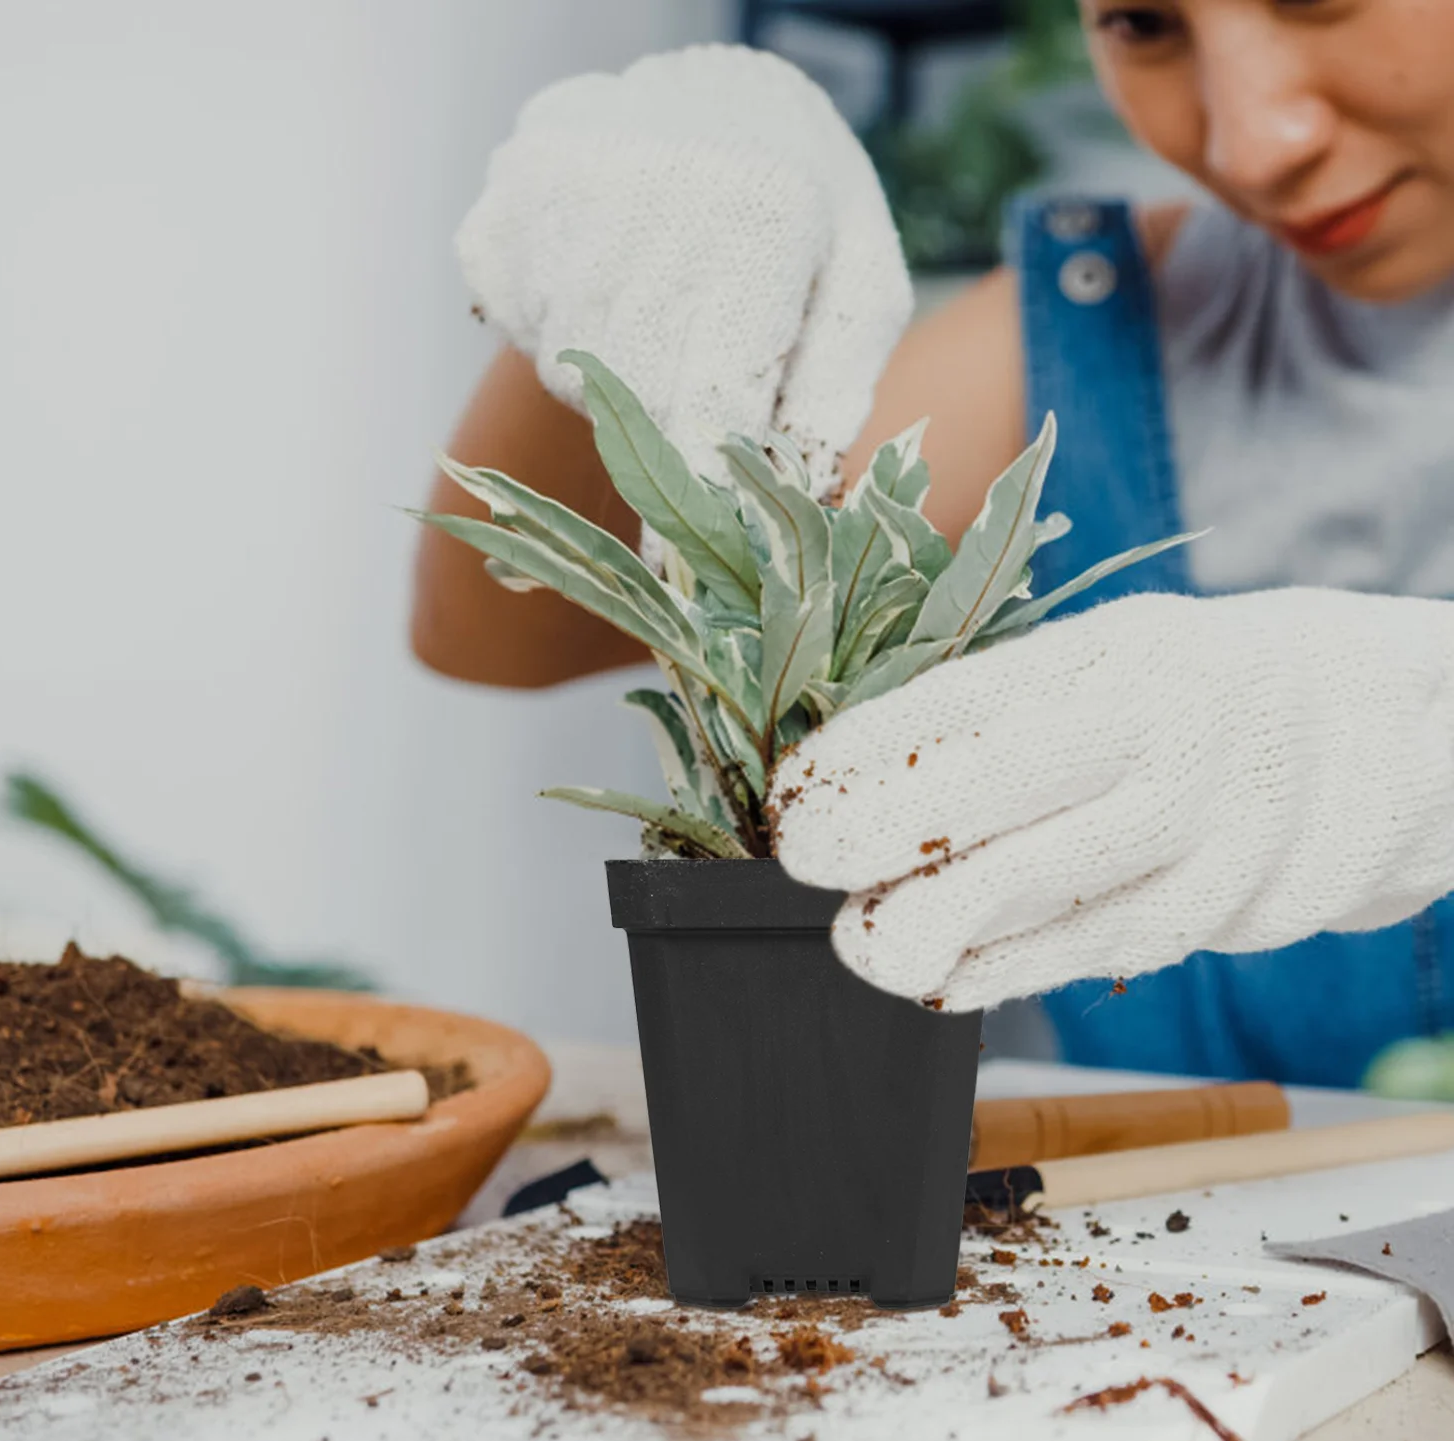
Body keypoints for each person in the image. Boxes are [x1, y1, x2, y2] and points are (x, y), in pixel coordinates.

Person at [411, 3, 1454, 1089]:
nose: (1253, 142)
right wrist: (621, 264)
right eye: (1141, 23)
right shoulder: (1106, 322)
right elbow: (497, 623)